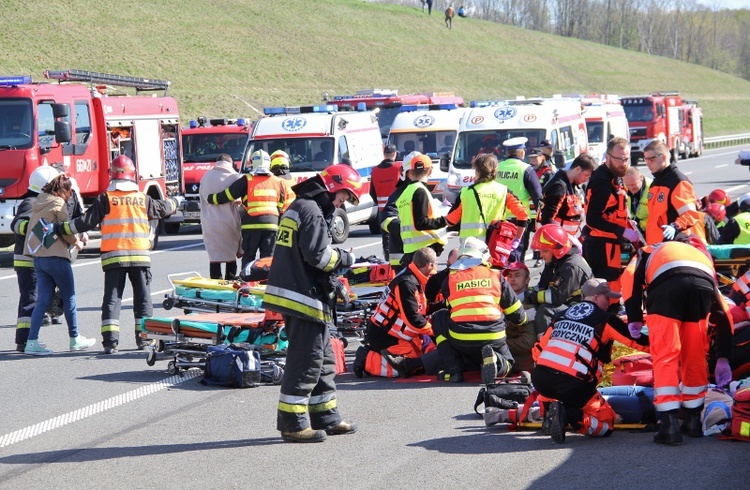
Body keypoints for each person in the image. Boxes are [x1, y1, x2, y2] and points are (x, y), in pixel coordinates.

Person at [262, 164, 362, 443]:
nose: (341, 203)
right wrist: (345, 259)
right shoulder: (312, 211)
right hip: (302, 298)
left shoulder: (301, 206)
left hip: (301, 293)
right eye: (342, 197)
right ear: (332, 186)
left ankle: (326, 416)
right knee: (306, 360)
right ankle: (293, 424)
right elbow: (319, 257)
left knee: (324, 358)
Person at [55, 155, 181, 354]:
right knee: (143, 298)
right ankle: (144, 339)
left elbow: (84, 222)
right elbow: (163, 209)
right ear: (132, 176)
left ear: (112, 175)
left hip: (114, 257)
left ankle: (110, 342)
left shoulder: (105, 198)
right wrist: (176, 201)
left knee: (113, 299)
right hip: (139, 255)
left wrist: (61, 229)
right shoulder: (142, 198)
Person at [624, 240, 733, 445]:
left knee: (666, 354)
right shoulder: (700, 257)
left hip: (667, 287)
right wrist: (724, 357)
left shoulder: (647, 251)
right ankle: (693, 422)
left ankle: (669, 425)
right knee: (695, 352)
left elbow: (629, 277)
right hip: (702, 285)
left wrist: (634, 316)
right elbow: (724, 315)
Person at [532, 278, 649, 443]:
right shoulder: (606, 319)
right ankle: (568, 415)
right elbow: (637, 341)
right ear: (595, 298)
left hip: (541, 379)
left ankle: (548, 414)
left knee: (550, 372)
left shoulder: (560, 316)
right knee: (606, 423)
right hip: (574, 385)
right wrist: (667, 348)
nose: (610, 302)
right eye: (607, 298)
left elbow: (538, 350)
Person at [431, 237, 527, 383]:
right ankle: (496, 361)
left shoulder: (450, 278)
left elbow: (450, 308)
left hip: (461, 339)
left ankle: (453, 371)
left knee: (439, 317)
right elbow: (518, 316)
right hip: (493, 337)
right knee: (508, 362)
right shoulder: (496, 276)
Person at [23, 174, 96, 355]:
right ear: (63, 190)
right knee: (69, 296)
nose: (70, 196)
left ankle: (31, 342)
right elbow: (66, 228)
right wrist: (76, 241)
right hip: (57, 257)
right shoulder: (58, 204)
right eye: (69, 191)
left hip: (39, 258)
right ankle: (75, 338)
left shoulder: (38, 203)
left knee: (43, 301)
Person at [354, 247, 440, 378]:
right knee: (409, 367)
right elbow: (413, 319)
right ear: (430, 265)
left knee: (424, 359)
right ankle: (365, 358)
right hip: (384, 335)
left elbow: (421, 307)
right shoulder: (406, 283)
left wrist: (443, 305)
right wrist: (436, 331)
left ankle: (381, 355)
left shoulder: (414, 277)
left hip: (395, 333)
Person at [582, 137, 639, 308]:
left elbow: (615, 210)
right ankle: (606, 321)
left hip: (610, 243)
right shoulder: (602, 184)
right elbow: (593, 219)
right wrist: (622, 231)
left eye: (626, 159)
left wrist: (628, 225)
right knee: (604, 290)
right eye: (619, 159)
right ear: (607, 157)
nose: (624, 163)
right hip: (601, 245)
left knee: (612, 285)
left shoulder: (615, 176)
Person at [206, 149, 286, 268]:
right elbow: (281, 203)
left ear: (252, 163)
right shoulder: (278, 181)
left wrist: (211, 198)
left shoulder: (247, 180)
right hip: (272, 225)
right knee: (268, 257)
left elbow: (228, 195)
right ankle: (266, 282)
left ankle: (247, 281)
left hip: (251, 226)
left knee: (249, 256)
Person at [12, 166, 61, 351]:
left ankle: (26, 340)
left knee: (35, 298)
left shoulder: (40, 201)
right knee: (30, 299)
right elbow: (17, 225)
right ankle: (24, 341)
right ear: (46, 186)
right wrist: (40, 230)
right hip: (27, 260)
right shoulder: (30, 202)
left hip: (36, 259)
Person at [445, 153, 527, 246]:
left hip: (469, 245)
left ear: (476, 170)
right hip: (494, 243)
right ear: (495, 169)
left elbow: (451, 221)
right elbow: (523, 214)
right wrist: (517, 239)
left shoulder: (465, 192)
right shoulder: (504, 191)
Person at [527, 223, 593, 339]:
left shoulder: (571, 266)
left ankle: (543, 345)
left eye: (544, 251)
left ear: (557, 250)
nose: (541, 255)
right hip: (568, 304)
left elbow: (556, 297)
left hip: (580, 308)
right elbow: (542, 286)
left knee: (545, 310)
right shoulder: (555, 262)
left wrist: (528, 296)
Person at [642, 140, 702, 244]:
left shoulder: (678, 182)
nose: (647, 163)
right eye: (645, 159)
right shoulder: (655, 183)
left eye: (651, 159)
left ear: (664, 157)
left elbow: (691, 214)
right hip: (656, 246)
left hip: (673, 245)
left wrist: (675, 226)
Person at [395, 153, 447, 266]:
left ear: (411, 172)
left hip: (410, 249)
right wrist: (444, 221)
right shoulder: (420, 191)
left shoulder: (405, 193)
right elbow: (421, 223)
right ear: (430, 171)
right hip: (424, 250)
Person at [497, 137, 542, 263]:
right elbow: (538, 196)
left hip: (498, 219)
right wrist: (539, 220)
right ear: (522, 152)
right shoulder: (526, 169)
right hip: (519, 221)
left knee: (499, 254)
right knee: (516, 254)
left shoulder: (496, 168)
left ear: (506, 153)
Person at [199, 154, 243, 280]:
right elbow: (240, 201)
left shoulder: (206, 177)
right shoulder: (235, 177)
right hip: (230, 223)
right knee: (231, 257)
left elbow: (202, 199)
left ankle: (215, 289)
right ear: (230, 163)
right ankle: (230, 285)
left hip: (210, 223)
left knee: (214, 258)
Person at [536, 153, 595, 236]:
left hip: (566, 240)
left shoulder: (572, 184)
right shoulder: (559, 186)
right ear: (578, 169)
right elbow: (547, 219)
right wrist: (565, 238)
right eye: (586, 175)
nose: (586, 180)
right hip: (552, 241)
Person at [501, 262, 538, 373]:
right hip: (506, 353)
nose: (512, 279)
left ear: (527, 280)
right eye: (509, 276)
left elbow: (528, 342)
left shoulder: (529, 305)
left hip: (520, 362)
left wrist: (498, 344)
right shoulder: (503, 299)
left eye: (517, 275)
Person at [370, 143, 402, 260]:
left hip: (382, 210)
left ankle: (389, 260)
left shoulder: (375, 171)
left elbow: (372, 192)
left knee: (386, 238)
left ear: (384, 154)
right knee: (400, 235)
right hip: (398, 208)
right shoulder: (399, 168)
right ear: (394, 154)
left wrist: (380, 203)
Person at [623, 166, 651, 233]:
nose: (630, 188)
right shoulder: (626, 187)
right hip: (637, 227)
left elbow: (657, 216)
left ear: (641, 177)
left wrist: (640, 224)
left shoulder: (652, 188)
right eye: (627, 185)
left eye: (633, 184)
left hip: (650, 229)